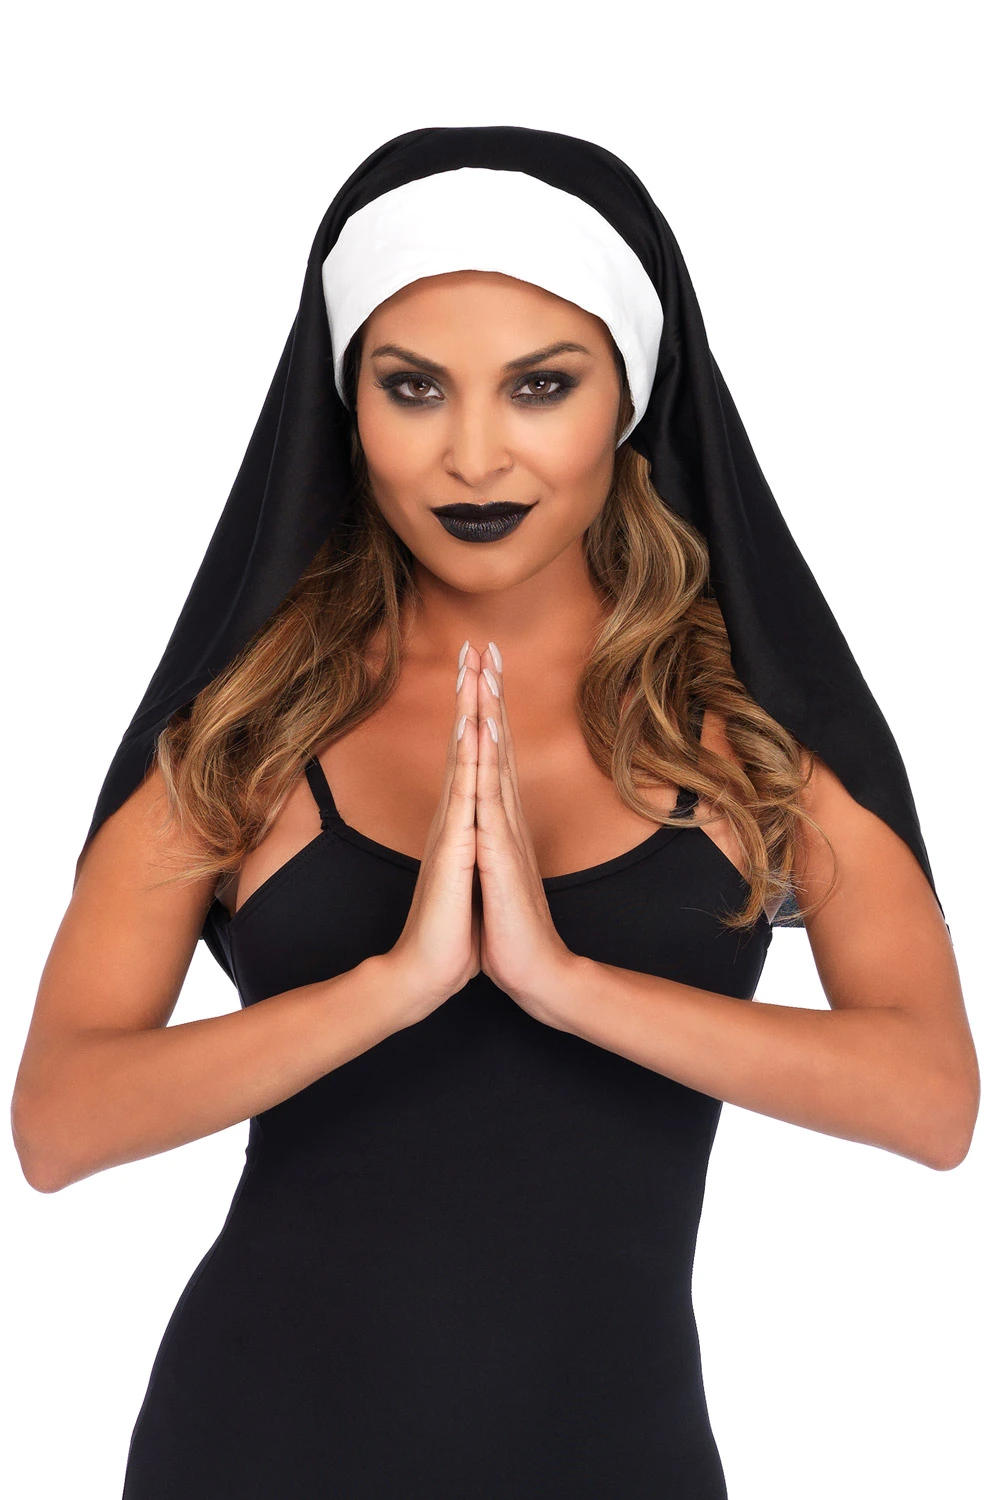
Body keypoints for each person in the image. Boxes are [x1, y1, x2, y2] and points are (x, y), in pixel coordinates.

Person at [12, 127, 978, 1498]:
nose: (473, 455)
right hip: (256, 1446)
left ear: (630, 397)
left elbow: (932, 1101)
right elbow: (58, 1124)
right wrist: (394, 984)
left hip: (617, 1459)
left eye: (541, 385)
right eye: (413, 388)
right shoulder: (250, 725)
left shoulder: (747, 731)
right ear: (347, 406)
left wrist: (563, 982)